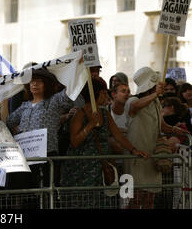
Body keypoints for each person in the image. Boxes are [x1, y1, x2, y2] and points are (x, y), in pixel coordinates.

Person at [60, 77, 148, 209]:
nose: (106, 95)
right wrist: (90, 124)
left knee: (102, 201)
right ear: (95, 94)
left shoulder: (105, 113)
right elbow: (75, 141)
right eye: (103, 93)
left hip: (101, 167)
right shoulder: (79, 114)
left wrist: (133, 150)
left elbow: (118, 135)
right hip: (81, 170)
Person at [124, 67, 189, 209]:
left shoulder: (155, 103)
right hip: (137, 157)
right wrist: (156, 94)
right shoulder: (132, 101)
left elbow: (162, 125)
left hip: (153, 156)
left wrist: (175, 129)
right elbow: (136, 106)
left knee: (149, 199)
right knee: (135, 199)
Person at [6, 68, 61, 190]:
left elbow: (70, 94)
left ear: (46, 84)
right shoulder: (24, 106)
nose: (34, 84)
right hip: (27, 156)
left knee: (47, 192)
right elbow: (9, 122)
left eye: (39, 81)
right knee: (28, 193)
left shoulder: (54, 101)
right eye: (31, 81)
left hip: (47, 155)